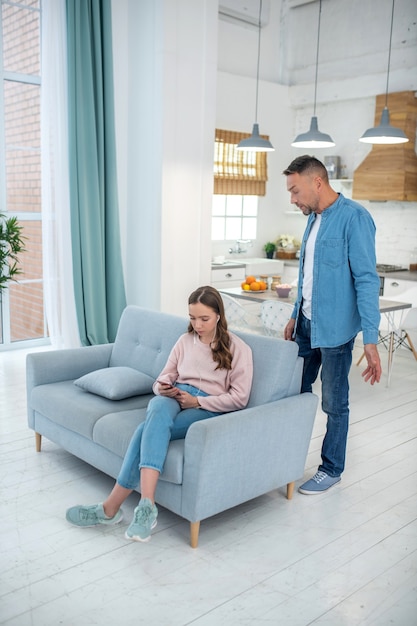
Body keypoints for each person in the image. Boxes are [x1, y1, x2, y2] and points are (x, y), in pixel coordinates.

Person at [66, 285, 253, 541]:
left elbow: (240, 398)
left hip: (207, 408)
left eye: (204, 319)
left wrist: (197, 402)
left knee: (145, 429)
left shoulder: (238, 348)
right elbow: (163, 377)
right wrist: (162, 387)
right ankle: (147, 506)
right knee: (156, 405)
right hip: (175, 397)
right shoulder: (184, 341)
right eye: (192, 318)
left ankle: (110, 509)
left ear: (219, 315)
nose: (197, 325)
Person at [282, 155, 382, 495]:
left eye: (295, 191)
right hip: (306, 325)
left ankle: (331, 468)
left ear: (317, 183)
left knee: (334, 402)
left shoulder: (355, 218)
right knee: (292, 391)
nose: (293, 199)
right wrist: (295, 313)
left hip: (337, 331)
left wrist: (370, 339)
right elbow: (307, 275)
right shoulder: (312, 219)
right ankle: (285, 460)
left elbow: (368, 281)